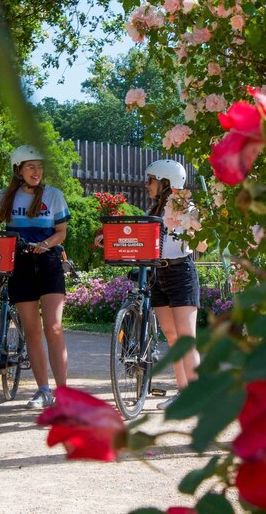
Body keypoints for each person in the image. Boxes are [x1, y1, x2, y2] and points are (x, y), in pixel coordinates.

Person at [0, 145, 70, 409]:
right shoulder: (6, 198)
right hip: (19, 265)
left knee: (53, 328)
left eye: (39, 166)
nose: (37, 171)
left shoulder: (53, 195)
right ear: (18, 170)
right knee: (32, 332)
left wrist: (46, 244)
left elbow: (61, 232)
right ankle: (43, 390)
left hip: (48, 263)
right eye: (30, 166)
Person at [97, 159, 201, 410]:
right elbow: (134, 238)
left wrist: (192, 225)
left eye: (151, 180)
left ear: (166, 182)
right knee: (173, 338)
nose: (146, 185)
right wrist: (108, 239)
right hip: (158, 275)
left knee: (186, 339)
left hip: (181, 272)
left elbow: (202, 245)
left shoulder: (189, 209)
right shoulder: (152, 214)